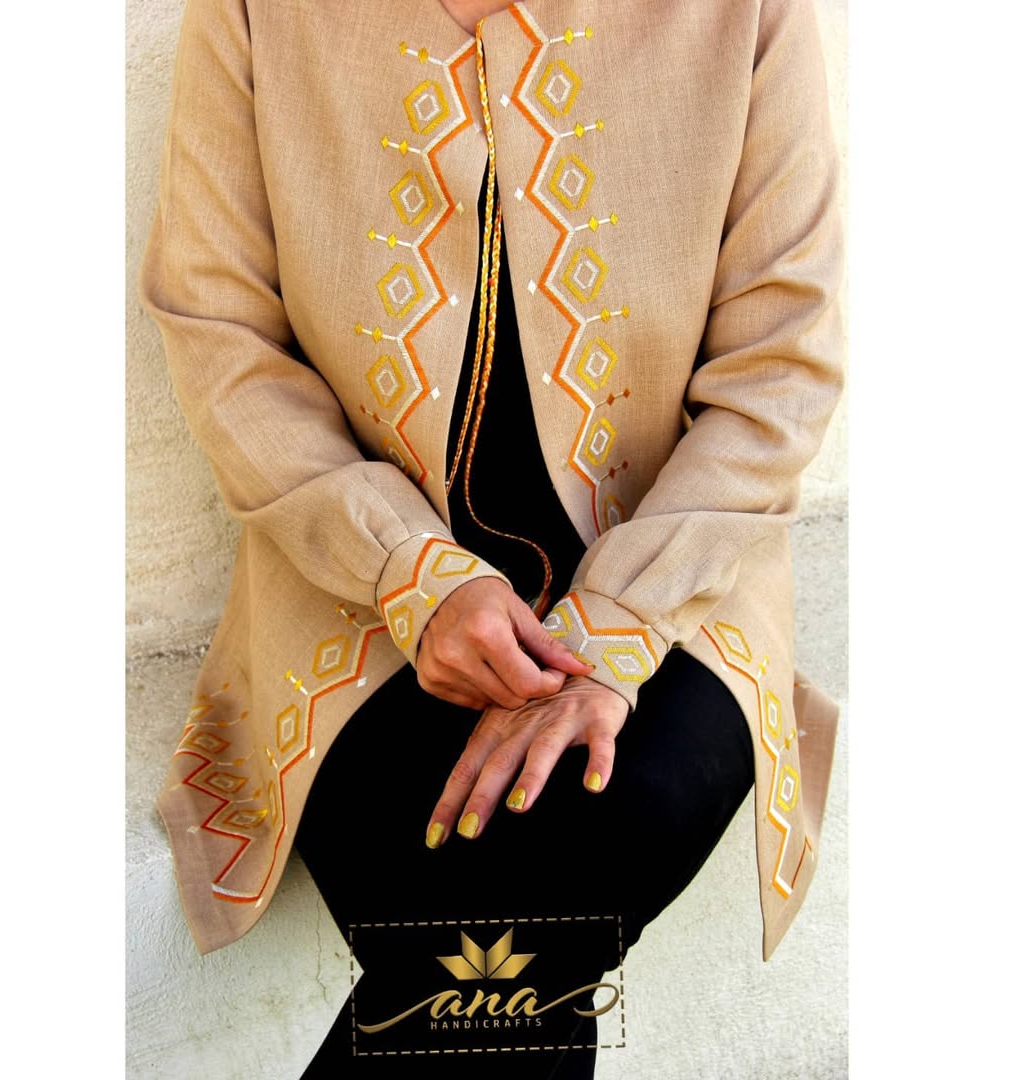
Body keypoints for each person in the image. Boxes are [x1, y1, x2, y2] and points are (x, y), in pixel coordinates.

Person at [139, 0, 844, 1074]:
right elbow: (219, 329)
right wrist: (410, 574)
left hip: (677, 579)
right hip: (351, 597)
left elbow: (780, 366)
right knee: (516, 942)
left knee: (579, 850)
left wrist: (614, 634)